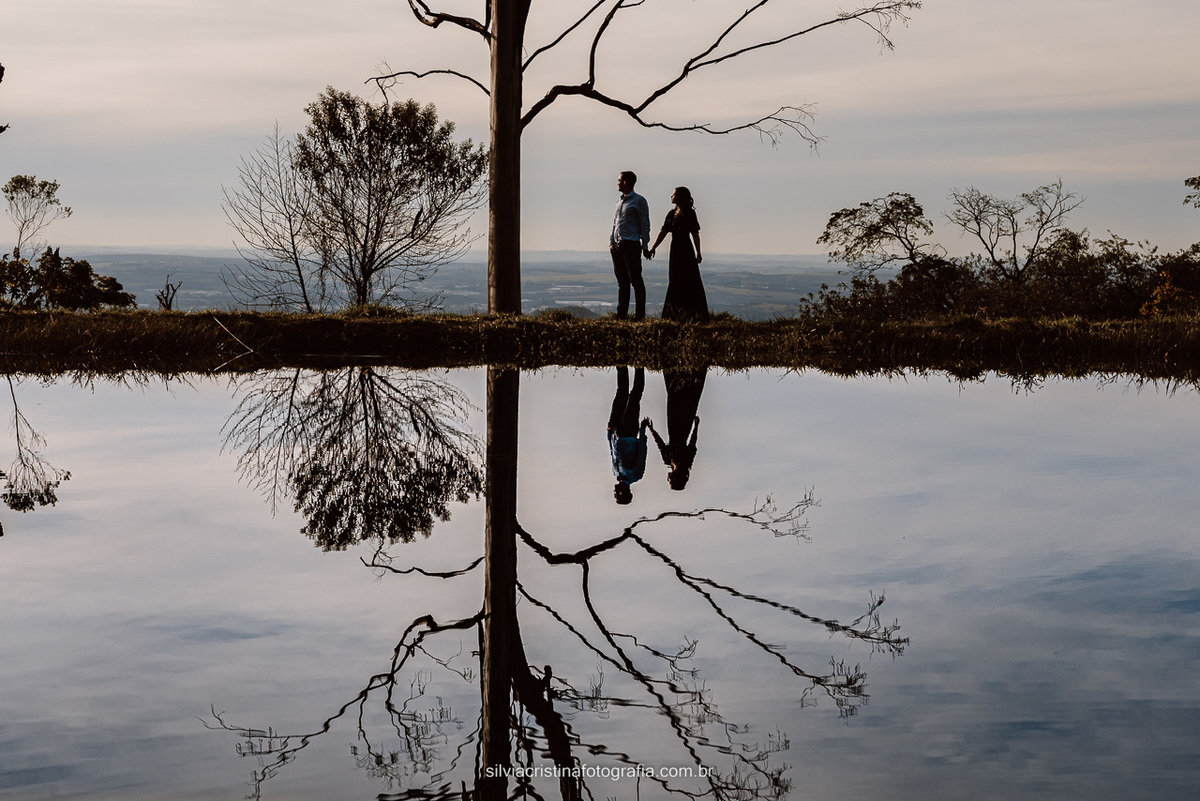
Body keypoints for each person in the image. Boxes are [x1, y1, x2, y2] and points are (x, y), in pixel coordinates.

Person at [648, 186, 708, 321]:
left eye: (674, 194)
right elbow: (663, 231)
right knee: (675, 279)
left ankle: (693, 313)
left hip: (686, 249)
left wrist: (698, 252)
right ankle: (675, 313)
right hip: (675, 249)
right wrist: (654, 247)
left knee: (690, 280)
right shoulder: (671, 213)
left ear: (680, 197)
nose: (671, 196)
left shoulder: (690, 213)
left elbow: (695, 233)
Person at [648, 368, 706, 490]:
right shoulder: (684, 461)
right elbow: (692, 443)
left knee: (674, 398)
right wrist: (696, 426)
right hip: (681, 428)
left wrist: (651, 429)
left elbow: (660, 444)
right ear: (674, 477)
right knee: (683, 400)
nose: (667, 479)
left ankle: (675, 371)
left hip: (676, 427)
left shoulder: (672, 460)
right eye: (670, 481)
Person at [609, 170, 652, 320]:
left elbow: (644, 224)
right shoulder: (619, 201)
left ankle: (640, 315)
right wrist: (611, 242)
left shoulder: (639, 201)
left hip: (631, 245)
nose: (617, 183)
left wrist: (645, 246)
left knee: (636, 280)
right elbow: (615, 223)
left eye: (619, 180)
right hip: (617, 246)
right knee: (622, 282)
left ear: (626, 182)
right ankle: (622, 314)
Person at [607, 366, 650, 504]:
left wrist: (609, 433)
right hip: (629, 431)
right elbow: (642, 453)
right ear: (622, 492)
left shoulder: (616, 474)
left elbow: (612, 451)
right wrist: (642, 431)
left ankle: (621, 364)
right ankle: (639, 366)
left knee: (621, 393)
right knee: (634, 396)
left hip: (616, 430)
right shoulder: (635, 475)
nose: (613, 492)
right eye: (615, 494)